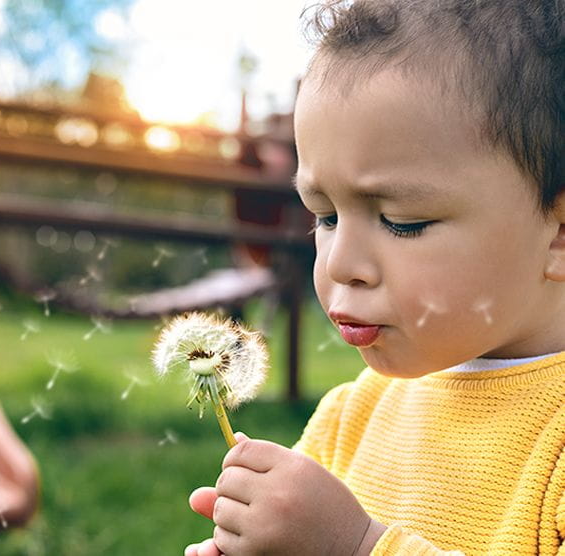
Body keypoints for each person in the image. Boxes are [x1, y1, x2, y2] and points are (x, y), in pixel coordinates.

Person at [185, 0, 565, 554]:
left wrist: (358, 545)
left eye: (401, 221)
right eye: (325, 216)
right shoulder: (350, 416)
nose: (340, 263)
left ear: (557, 233)